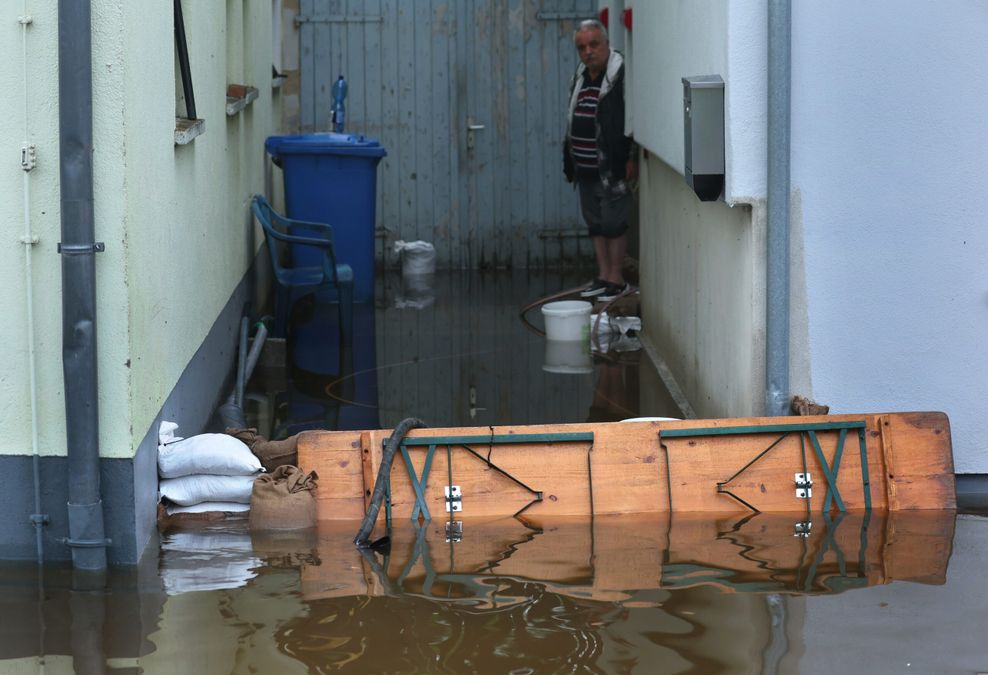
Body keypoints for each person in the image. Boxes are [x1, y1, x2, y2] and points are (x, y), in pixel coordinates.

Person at [563, 19, 637, 302]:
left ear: (606, 43)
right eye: (582, 47)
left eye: (594, 44)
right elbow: (571, 118)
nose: (588, 52)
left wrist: (629, 155)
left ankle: (617, 279)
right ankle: (604, 275)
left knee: (613, 223)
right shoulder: (581, 76)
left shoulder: (619, 75)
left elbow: (629, 116)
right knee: (594, 222)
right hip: (585, 167)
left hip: (611, 165)